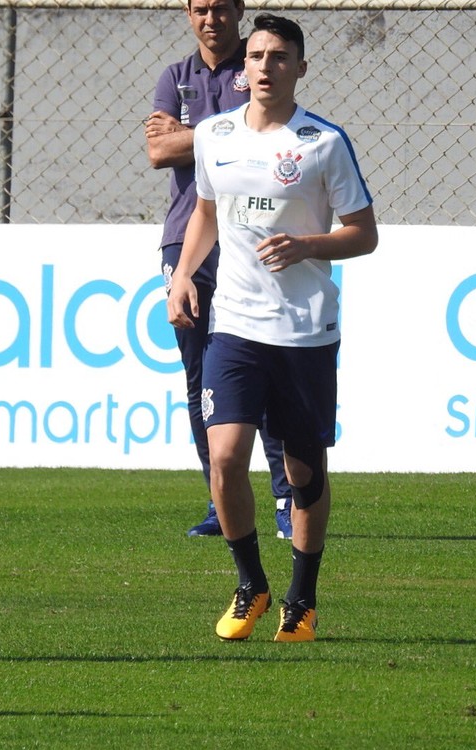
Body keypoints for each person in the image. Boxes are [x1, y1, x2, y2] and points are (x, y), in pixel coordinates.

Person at [166, 13, 378, 642]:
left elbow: (364, 234)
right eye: (256, 56)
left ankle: (302, 598)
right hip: (234, 324)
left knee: (303, 471)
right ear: (243, 71)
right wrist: (182, 274)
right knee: (226, 456)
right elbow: (206, 209)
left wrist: (309, 245)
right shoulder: (214, 136)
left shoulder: (323, 142)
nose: (264, 66)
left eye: (279, 57)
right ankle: (250, 583)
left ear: (299, 69)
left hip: (304, 331)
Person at [145, 0, 293, 540]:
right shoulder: (175, 76)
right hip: (186, 239)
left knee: (267, 367)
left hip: (247, 236)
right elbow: (159, 151)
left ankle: (284, 498)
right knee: (198, 376)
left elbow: (264, 133)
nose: (211, 19)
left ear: (240, 11)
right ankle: (221, 502)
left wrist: (194, 133)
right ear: (189, 14)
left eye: (221, 9)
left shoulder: (257, 62)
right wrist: (222, 131)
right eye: (200, 9)